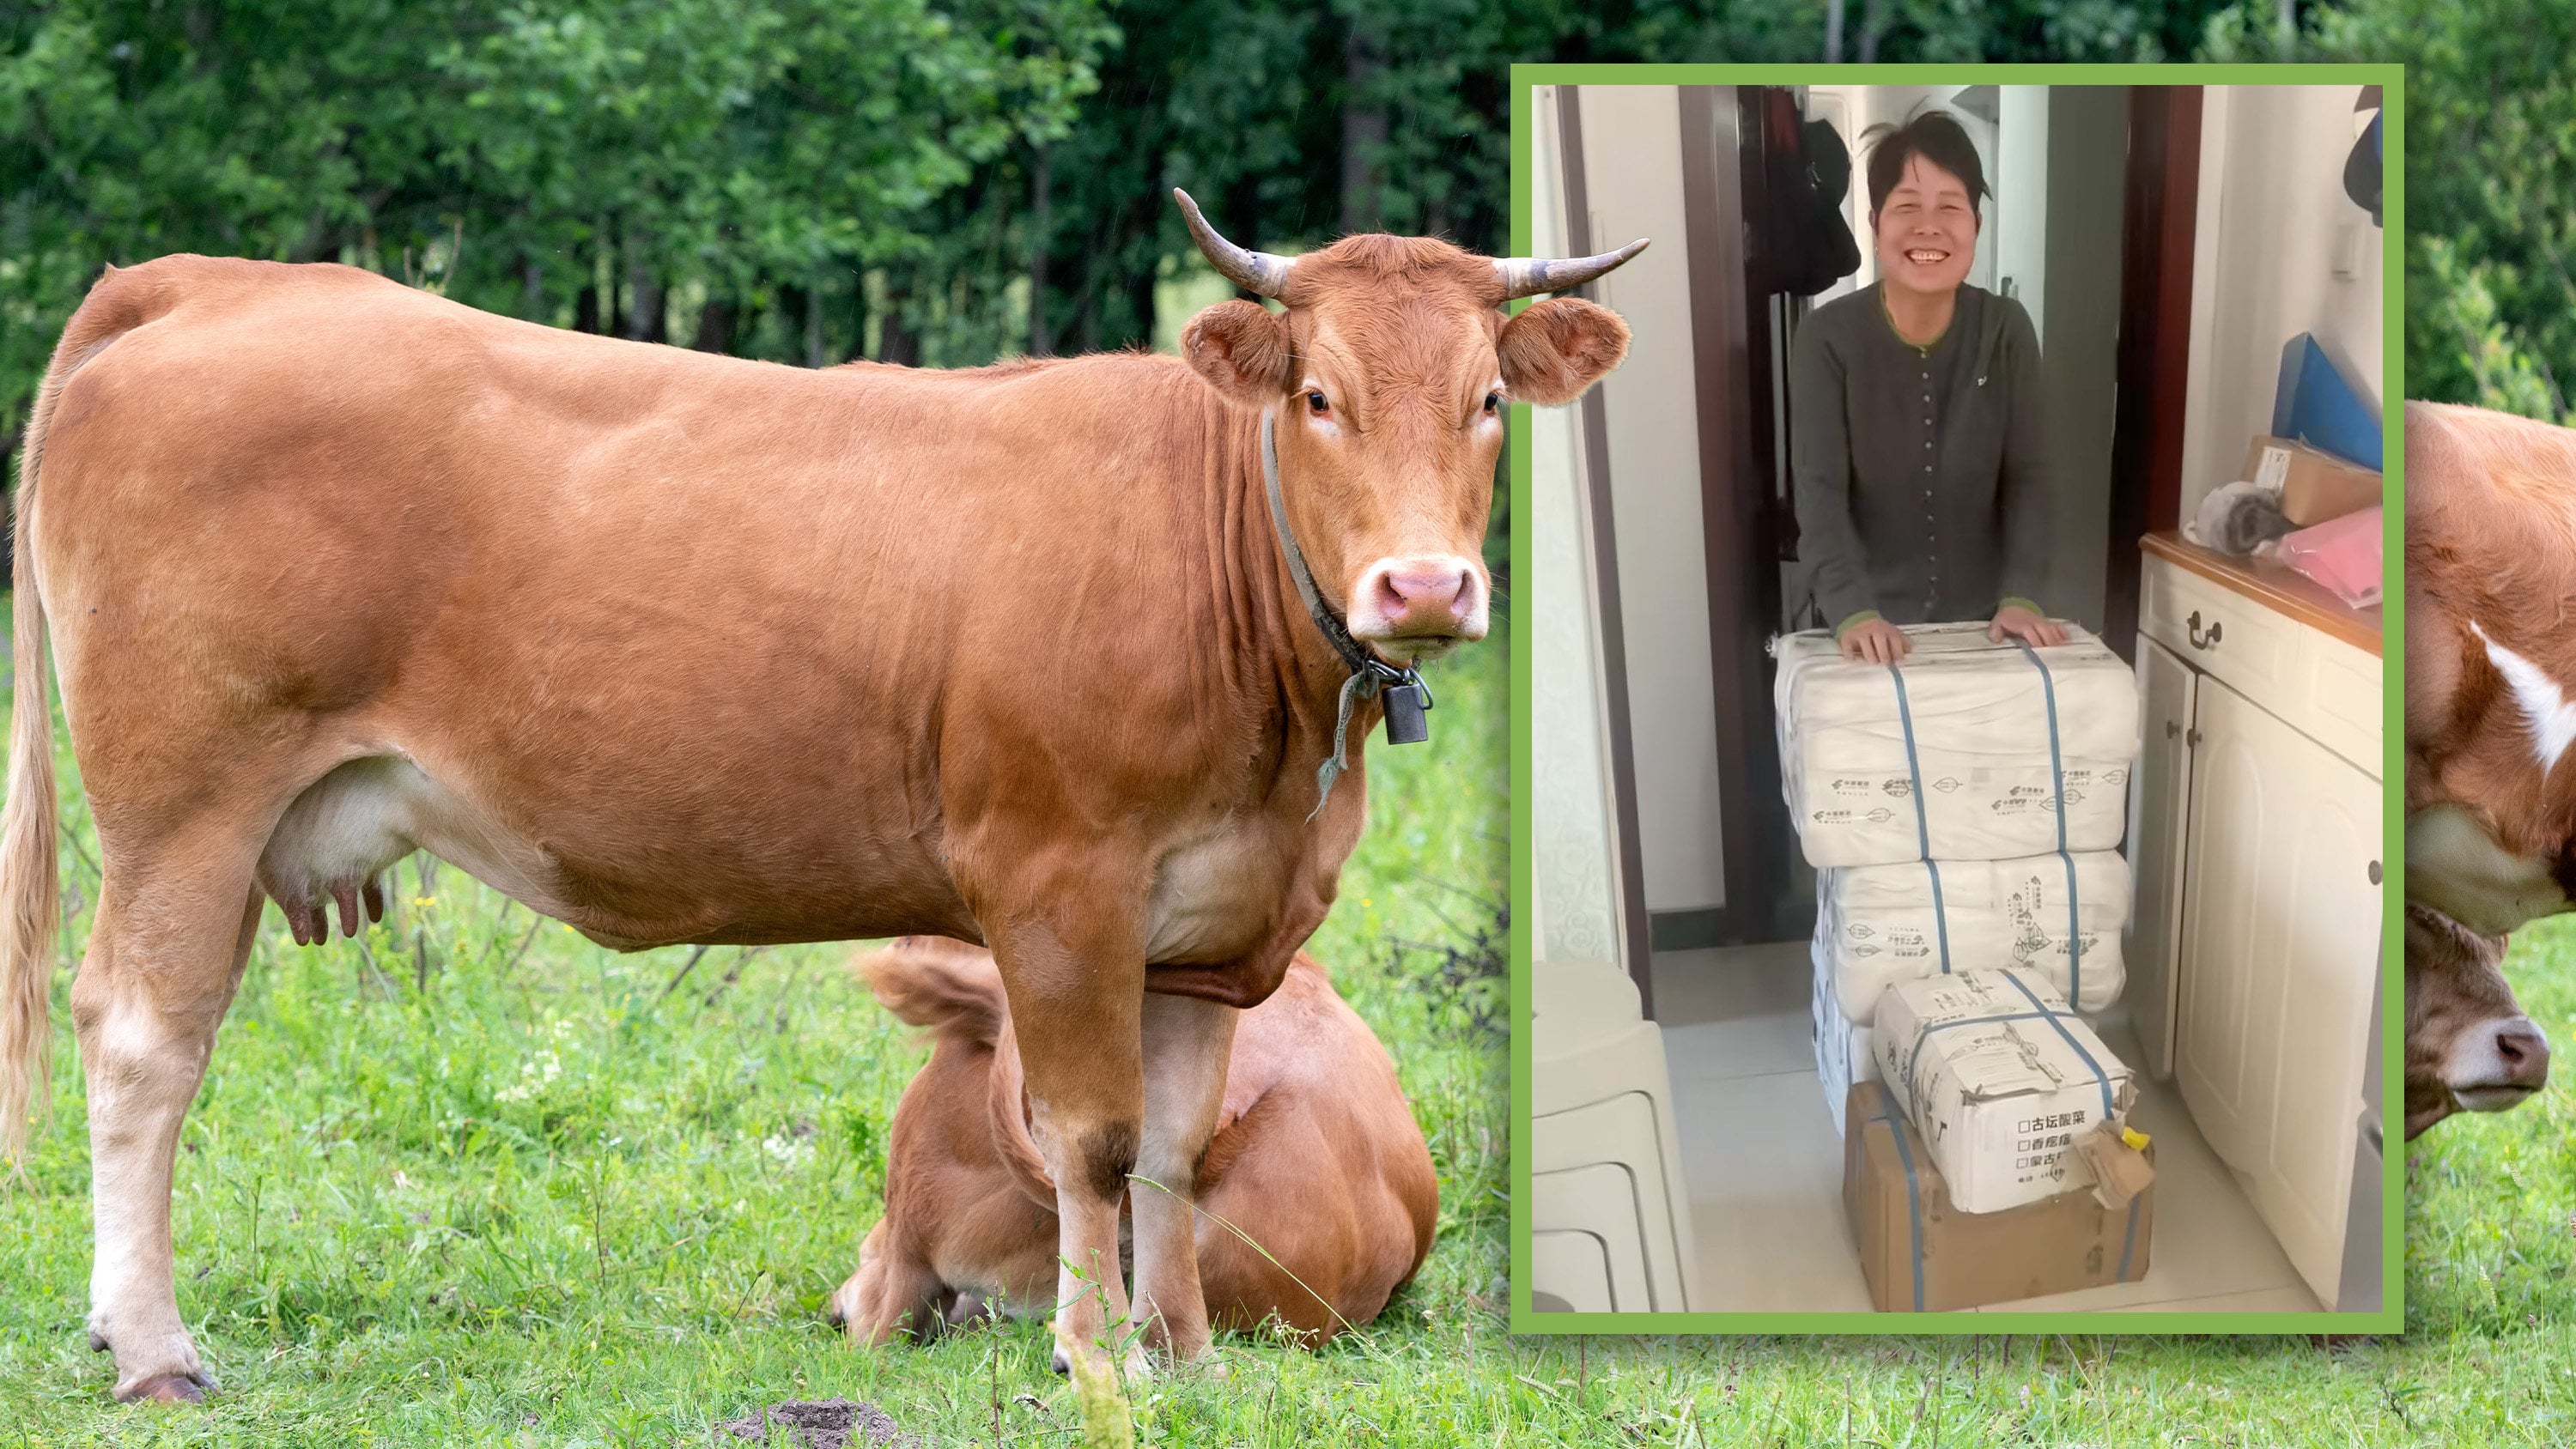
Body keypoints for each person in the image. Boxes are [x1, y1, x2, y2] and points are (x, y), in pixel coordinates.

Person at [1790, 108, 2068, 664]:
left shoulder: (2005, 329)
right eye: (1907, 207)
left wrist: (2022, 596)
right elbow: (1820, 495)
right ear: (1876, 225)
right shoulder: (1827, 337)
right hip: (1865, 628)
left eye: (1950, 207)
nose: (1929, 226)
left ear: (1976, 226)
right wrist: (1853, 611)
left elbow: (2031, 478)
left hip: (1989, 630)